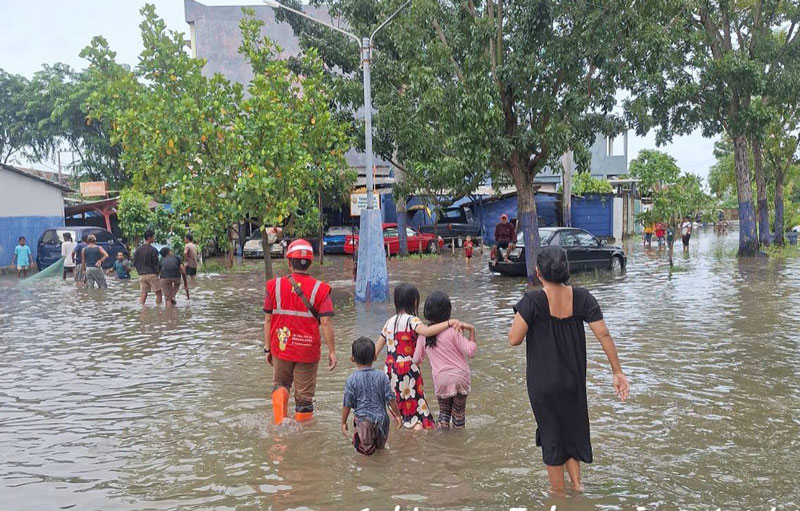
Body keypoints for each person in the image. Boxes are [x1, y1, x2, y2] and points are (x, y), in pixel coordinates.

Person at [508, 245, 629, 494]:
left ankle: (558, 495)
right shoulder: (583, 297)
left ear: (538, 272)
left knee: (552, 436)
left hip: (543, 385)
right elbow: (603, 334)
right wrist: (617, 372)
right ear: (566, 269)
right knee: (571, 429)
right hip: (573, 380)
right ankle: (577, 486)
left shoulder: (532, 301)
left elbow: (514, 339)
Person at [374, 283, 466, 430]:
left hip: (390, 371)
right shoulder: (413, 320)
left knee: (399, 408)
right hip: (408, 369)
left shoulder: (388, 323)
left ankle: (401, 437)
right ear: (414, 301)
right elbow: (427, 332)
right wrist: (449, 323)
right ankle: (417, 436)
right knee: (416, 410)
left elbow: (374, 353)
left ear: (397, 301)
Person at [265, 239, 336, 424]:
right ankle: (303, 435)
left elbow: (268, 319)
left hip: (281, 347)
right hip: (307, 351)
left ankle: (279, 427)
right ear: (310, 262)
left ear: (289, 262)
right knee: (304, 397)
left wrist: (267, 348)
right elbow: (326, 322)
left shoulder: (273, 286)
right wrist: (332, 352)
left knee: (280, 385)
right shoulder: (321, 289)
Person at [413, 291, 477, 429]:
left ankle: (442, 440)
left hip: (441, 379)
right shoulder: (453, 331)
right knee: (459, 414)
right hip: (460, 377)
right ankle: (459, 440)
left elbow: (417, 359)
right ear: (448, 311)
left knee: (443, 414)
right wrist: (472, 330)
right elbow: (471, 351)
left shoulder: (423, 335)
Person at [342, 337, 402, 455]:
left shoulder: (351, 379)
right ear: (374, 357)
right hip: (382, 420)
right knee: (380, 451)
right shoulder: (382, 376)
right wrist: (398, 415)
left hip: (363, 422)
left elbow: (347, 403)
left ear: (352, 358)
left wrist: (343, 422)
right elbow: (390, 398)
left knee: (365, 454)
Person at [133, 230, 162, 305]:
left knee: (143, 293)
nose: (154, 238)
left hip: (142, 275)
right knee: (158, 293)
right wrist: (157, 273)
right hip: (152, 274)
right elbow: (156, 263)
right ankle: (159, 308)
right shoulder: (153, 250)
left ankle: (142, 309)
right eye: (153, 237)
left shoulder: (138, 250)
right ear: (149, 238)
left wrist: (139, 272)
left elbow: (135, 263)